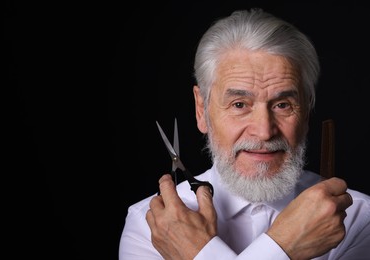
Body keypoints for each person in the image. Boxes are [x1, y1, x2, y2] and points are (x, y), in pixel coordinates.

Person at [119, 8, 370, 260]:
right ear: (201, 109)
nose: (264, 132)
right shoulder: (151, 226)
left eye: (282, 105)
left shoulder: (360, 220)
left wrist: (198, 255)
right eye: (239, 104)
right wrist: (284, 246)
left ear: (306, 112)